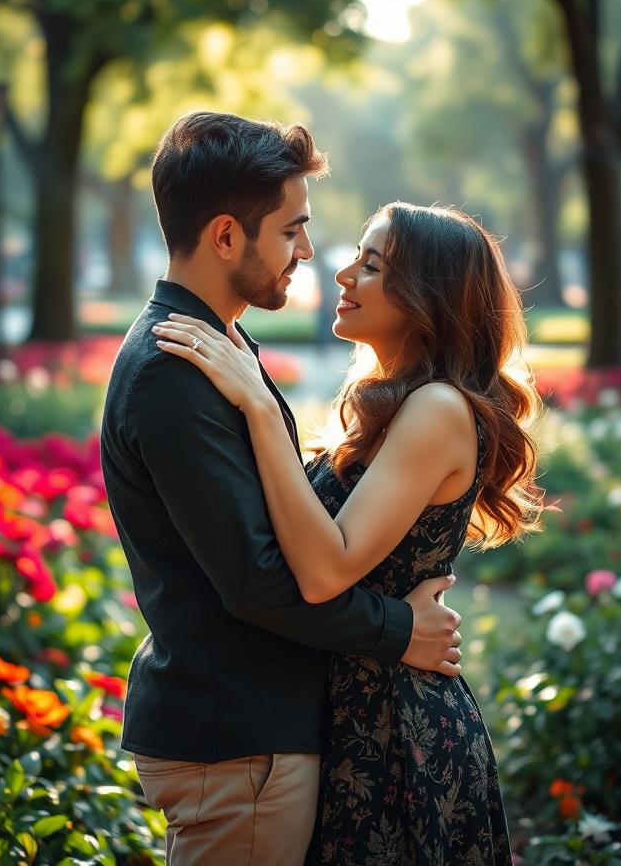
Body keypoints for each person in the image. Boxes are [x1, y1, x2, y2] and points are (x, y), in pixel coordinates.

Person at [100, 112, 463, 866]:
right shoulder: (177, 368)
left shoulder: (218, 344)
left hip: (253, 737)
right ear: (227, 236)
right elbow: (259, 582)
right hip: (238, 742)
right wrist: (402, 630)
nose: (308, 252)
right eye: (292, 229)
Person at [156, 200, 542, 865]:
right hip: (356, 708)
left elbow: (326, 567)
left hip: (395, 728)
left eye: (371, 264)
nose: (341, 275)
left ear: (430, 295)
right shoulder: (405, 404)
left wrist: (257, 405)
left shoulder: (438, 408)